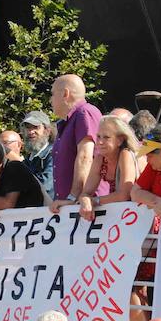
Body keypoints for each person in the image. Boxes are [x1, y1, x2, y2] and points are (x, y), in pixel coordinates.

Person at [48, 74, 102, 220]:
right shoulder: (70, 121)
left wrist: (74, 196)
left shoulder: (84, 113)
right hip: (73, 208)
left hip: (89, 209)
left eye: (52, 94)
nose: (50, 100)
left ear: (65, 93)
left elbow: (86, 157)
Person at [79, 115, 140, 208]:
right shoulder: (100, 159)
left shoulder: (125, 154)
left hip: (142, 212)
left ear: (120, 140)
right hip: (122, 212)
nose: (100, 142)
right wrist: (85, 200)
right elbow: (86, 193)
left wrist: (95, 200)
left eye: (106, 137)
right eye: (98, 136)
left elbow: (124, 195)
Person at [20, 110, 55, 195]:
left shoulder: (54, 154)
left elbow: (45, 185)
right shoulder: (27, 160)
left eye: (36, 127)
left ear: (47, 130)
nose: (31, 132)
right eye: (28, 127)